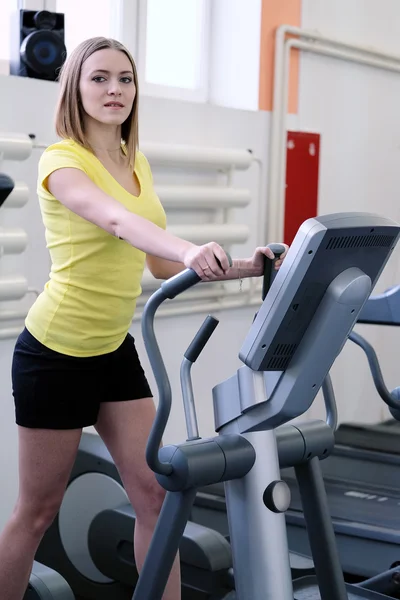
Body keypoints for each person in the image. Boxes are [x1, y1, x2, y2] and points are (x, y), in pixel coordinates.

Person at [0, 36, 287, 600]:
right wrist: (186, 249)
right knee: (37, 512)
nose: (114, 90)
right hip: (56, 350)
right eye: (100, 78)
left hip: (113, 349)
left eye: (125, 79)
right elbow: (115, 222)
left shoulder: (136, 163)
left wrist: (246, 267)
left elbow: (155, 262)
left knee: (156, 494)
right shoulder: (62, 161)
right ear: (75, 89)